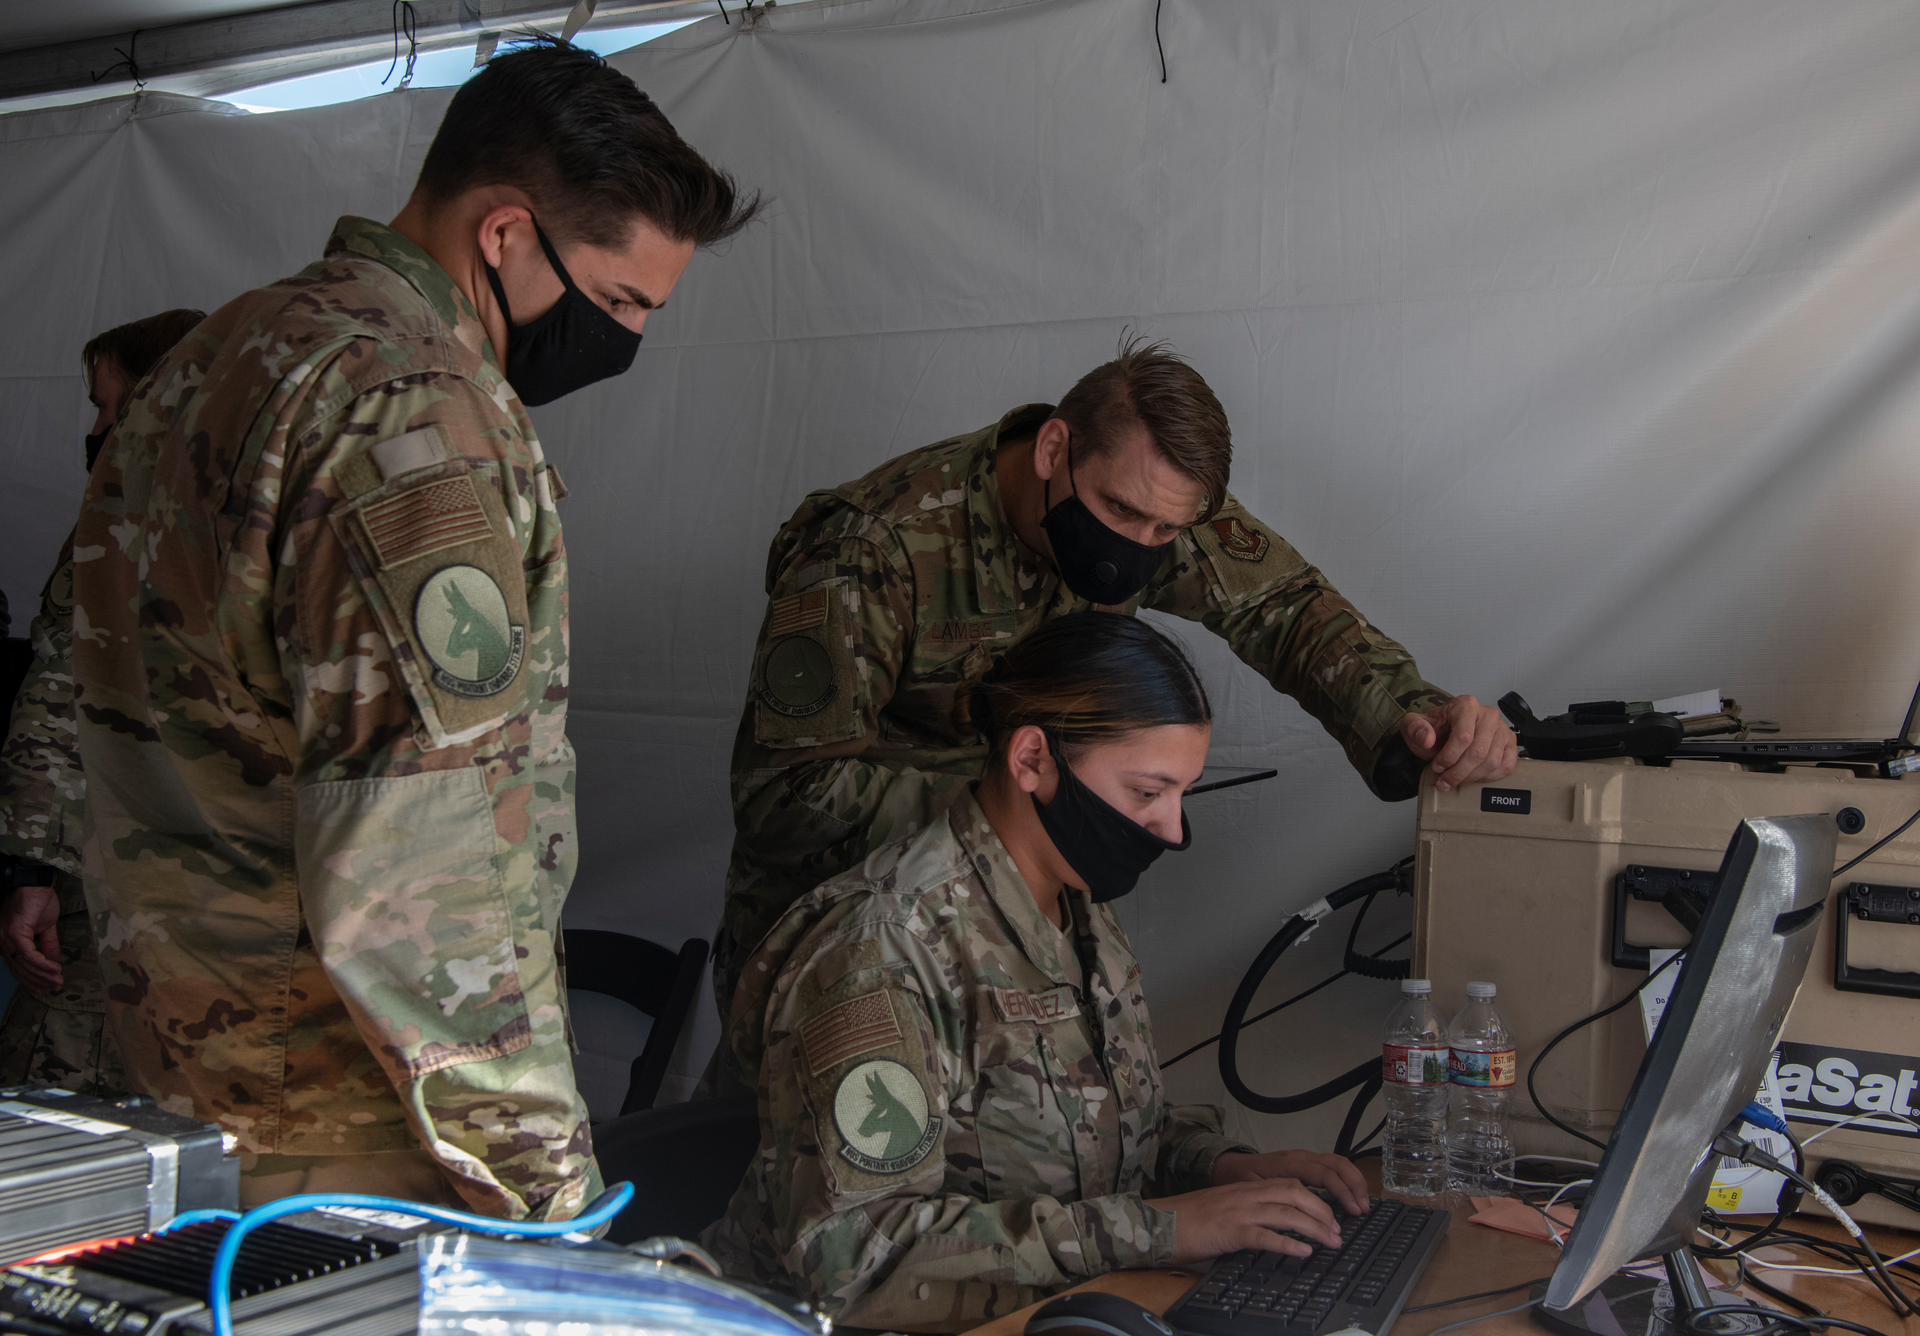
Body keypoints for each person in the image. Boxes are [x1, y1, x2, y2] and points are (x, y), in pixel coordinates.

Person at [70, 37, 758, 1219]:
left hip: (173, 1054)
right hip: (337, 1124)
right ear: (503, 232)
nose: (629, 342)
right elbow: (423, 868)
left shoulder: (222, 351)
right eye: (616, 302)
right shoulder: (407, 414)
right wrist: (548, 1192)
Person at [715, 340, 1516, 1030]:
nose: (1140, 548)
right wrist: (1019, 804)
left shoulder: (1158, 502)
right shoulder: (873, 549)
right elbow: (785, 793)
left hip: (1016, 922)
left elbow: (1283, 607)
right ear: (1054, 449)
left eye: (1166, 532)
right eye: (1120, 512)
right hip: (839, 938)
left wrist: (1412, 718)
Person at [708, 613, 1371, 1331]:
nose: (1174, 830)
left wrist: (1217, 1170)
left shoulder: (1076, 908)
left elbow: (1090, 1136)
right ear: (1032, 760)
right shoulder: (884, 950)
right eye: (1148, 792)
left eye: (1182, 793)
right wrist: (1162, 1230)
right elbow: (854, 1258)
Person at [0, 307, 206, 1093]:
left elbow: (62, 699)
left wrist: (27, 870)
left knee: (54, 1104)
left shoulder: (125, 523)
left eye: (105, 403)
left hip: (118, 891)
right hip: (234, 914)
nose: (98, 425)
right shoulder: (276, 515)